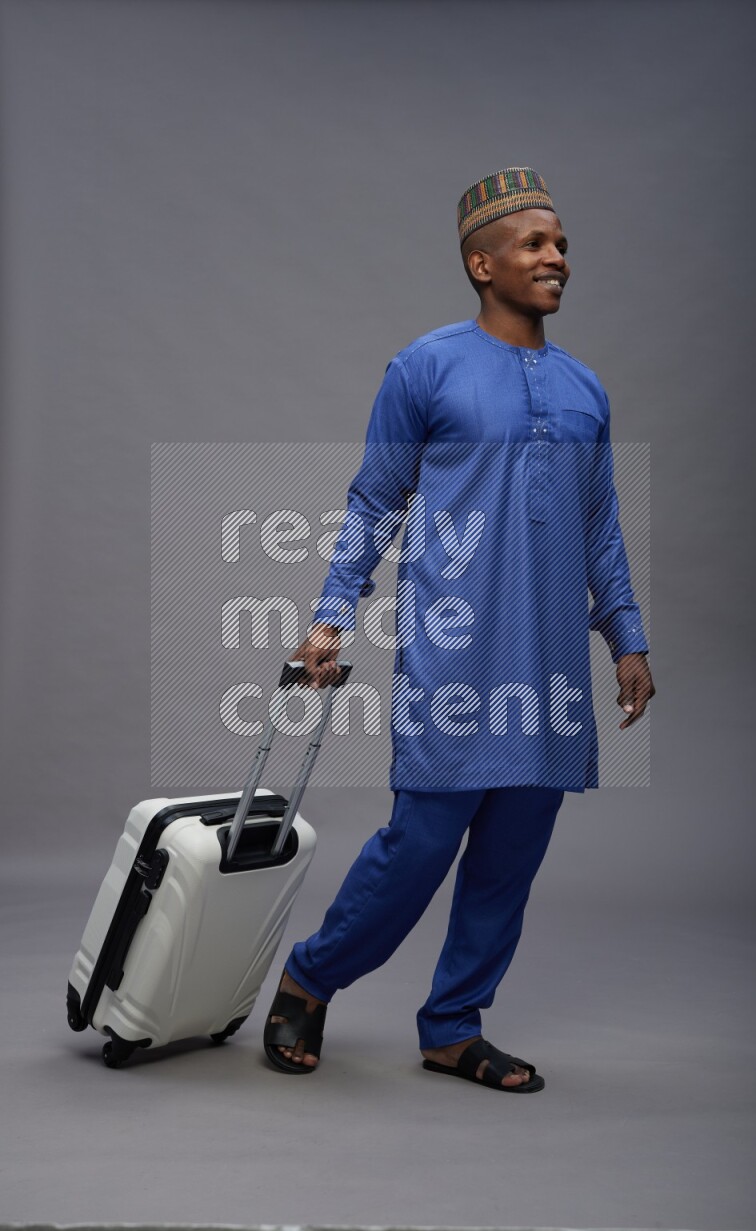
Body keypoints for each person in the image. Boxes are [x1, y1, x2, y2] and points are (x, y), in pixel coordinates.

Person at [263, 167, 655, 1092]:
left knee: (511, 857)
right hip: (457, 652)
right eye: (535, 243)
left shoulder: (585, 389)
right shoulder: (425, 367)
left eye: (561, 244)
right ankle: (309, 979)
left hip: (550, 659)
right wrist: (328, 619)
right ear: (483, 263)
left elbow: (599, 522)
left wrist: (625, 638)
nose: (557, 257)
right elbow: (373, 503)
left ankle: (451, 1023)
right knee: (422, 843)